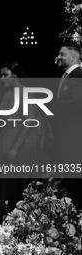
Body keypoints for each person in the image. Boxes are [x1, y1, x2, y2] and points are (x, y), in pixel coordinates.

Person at [0, 61, 41, 226]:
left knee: (15, 185)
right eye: (1, 75)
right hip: (6, 141)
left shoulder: (25, 93)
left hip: (20, 145)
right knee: (4, 184)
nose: (1, 78)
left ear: (16, 75)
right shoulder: (7, 93)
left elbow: (30, 122)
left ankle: (16, 227)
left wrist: (15, 148)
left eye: (5, 75)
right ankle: (3, 226)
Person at [54, 42, 82, 209]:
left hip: (73, 139)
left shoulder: (78, 74)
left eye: (61, 54)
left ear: (73, 57)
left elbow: (77, 103)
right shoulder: (68, 74)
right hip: (66, 138)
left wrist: (55, 103)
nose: (58, 57)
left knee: (75, 182)